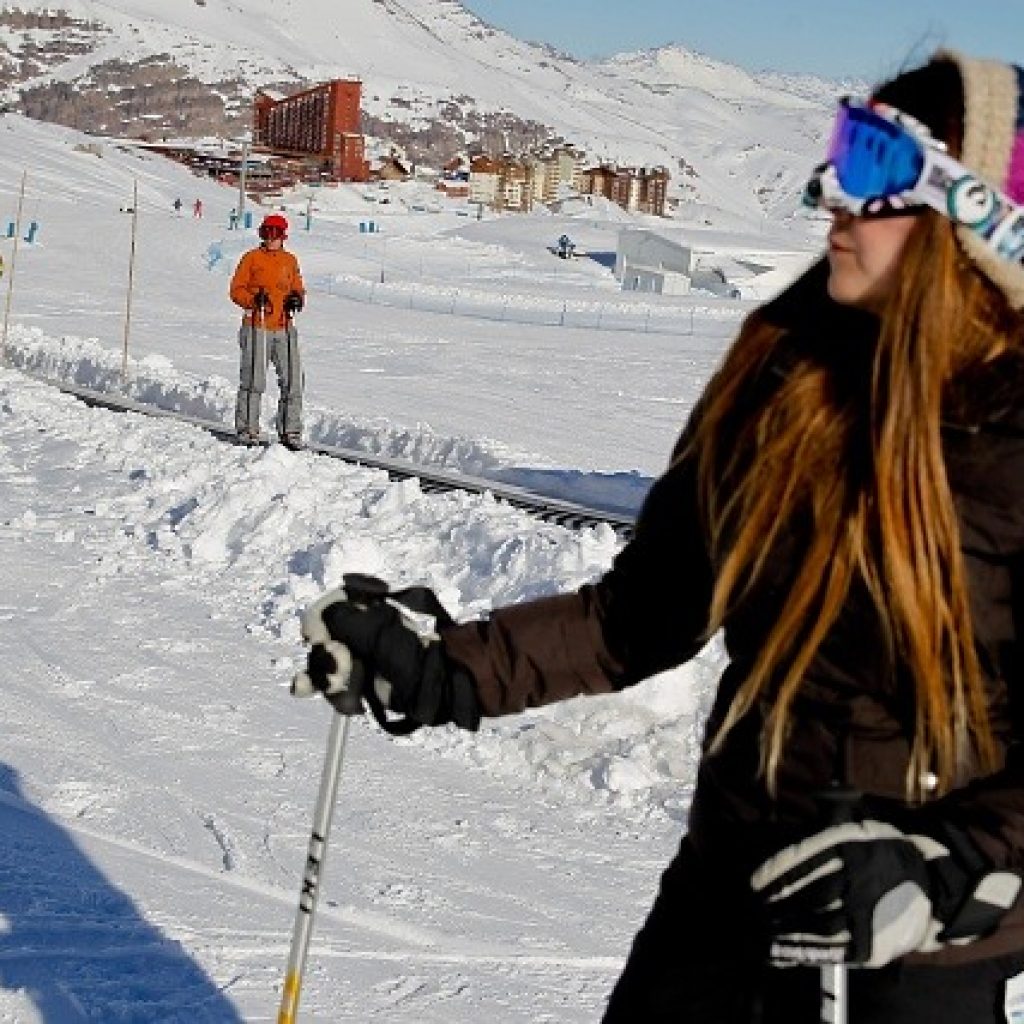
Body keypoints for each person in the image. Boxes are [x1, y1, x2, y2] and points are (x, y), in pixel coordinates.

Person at [292, 50, 1024, 1023]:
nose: (831, 193)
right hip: (729, 891)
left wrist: (953, 861)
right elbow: (643, 612)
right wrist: (448, 668)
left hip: (912, 946)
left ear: (978, 222)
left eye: (877, 164)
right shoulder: (785, 375)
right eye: (841, 146)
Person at [229, 212, 306, 450]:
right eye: (267, 233)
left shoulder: (290, 260)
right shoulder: (251, 258)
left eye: (276, 234)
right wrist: (254, 299)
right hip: (257, 326)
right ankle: (247, 429)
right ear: (262, 234)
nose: (272, 238)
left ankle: (290, 430)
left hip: (284, 326)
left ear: (283, 236)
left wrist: (297, 298)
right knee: (254, 379)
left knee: (293, 380)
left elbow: (298, 287)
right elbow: (236, 290)